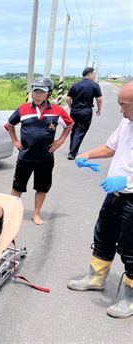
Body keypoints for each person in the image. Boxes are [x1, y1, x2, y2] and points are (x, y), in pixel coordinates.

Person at [67, 81, 133, 319]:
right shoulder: (127, 122)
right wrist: (86, 154)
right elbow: (110, 147)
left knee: (130, 249)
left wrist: (127, 183)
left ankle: (130, 298)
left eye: (124, 105)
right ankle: (96, 278)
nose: (121, 110)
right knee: (103, 235)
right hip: (115, 196)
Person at [4, 77, 74, 225]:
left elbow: (69, 125)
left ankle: (36, 213)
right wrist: (15, 141)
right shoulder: (23, 109)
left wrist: (60, 141)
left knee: (42, 187)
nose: (37, 95)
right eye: (35, 91)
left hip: (45, 158)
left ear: (48, 94)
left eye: (41, 92)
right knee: (18, 186)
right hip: (25, 157)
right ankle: (12, 212)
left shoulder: (57, 111)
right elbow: (9, 125)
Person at [66, 67, 103, 160]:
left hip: (74, 111)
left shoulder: (75, 84)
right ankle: (72, 153)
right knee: (80, 131)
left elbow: (67, 98)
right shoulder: (94, 85)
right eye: (94, 74)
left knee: (74, 130)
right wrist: (99, 109)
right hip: (86, 111)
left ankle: (72, 148)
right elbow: (99, 99)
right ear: (90, 74)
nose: (94, 76)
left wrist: (71, 107)